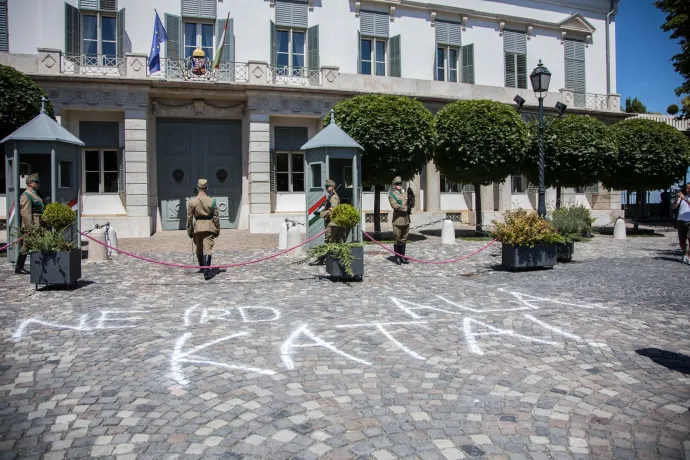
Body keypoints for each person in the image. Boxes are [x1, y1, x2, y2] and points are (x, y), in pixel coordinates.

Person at [187, 179, 220, 280]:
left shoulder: (192, 201)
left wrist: (190, 231)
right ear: (207, 188)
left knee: (199, 248)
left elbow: (189, 218)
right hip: (209, 227)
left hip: (197, 227)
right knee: (208, 249)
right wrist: (217, 229)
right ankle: (206, 271)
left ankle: (202, 267)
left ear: (198, 188)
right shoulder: (212, 201)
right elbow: (216, 217)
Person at [16, 173, 45, 274]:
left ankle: (40, 265)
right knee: (27, 244)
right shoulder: (26, 195)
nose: (38, 184)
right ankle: (19, 267)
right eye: (36, 182)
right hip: (32, 224)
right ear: (30, 183)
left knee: (37, 243)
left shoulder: (35, 194)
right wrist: (29, 227)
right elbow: (25, 213)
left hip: (39, 223)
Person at [311, 179, 342, 265]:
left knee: (328, 241)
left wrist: (321, 213)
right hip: (331, 222)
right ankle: (325, 258)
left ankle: (321, 259)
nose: (325, 188)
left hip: (332, 223)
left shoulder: (334, 197)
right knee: (331, 242)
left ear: (331, 187)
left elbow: (332, 210)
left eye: (327, 186)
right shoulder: (331, 196)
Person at [388, 176, 410, 265]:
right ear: (394, 185)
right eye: (397, 184)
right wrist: (406, 208)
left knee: (404, 239)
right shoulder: (392, 195)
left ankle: (402, 257)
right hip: (397, 221)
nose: (399, 185)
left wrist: (412, 198)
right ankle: (397, 257)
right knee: (397, 239)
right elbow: (395, 206)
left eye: (400, 183)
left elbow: (411, 204)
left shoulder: (405, 194)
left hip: (406, 220)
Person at [672, 183, 690, 264]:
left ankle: (689, 256)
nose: (687, 190)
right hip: (680, 220)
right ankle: (686, 255)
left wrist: (685, 199)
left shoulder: (685, 198)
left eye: (689, 188)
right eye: (686, 188)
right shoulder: (682, 197)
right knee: (682, 240)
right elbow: (673, 207)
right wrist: (676, 198)